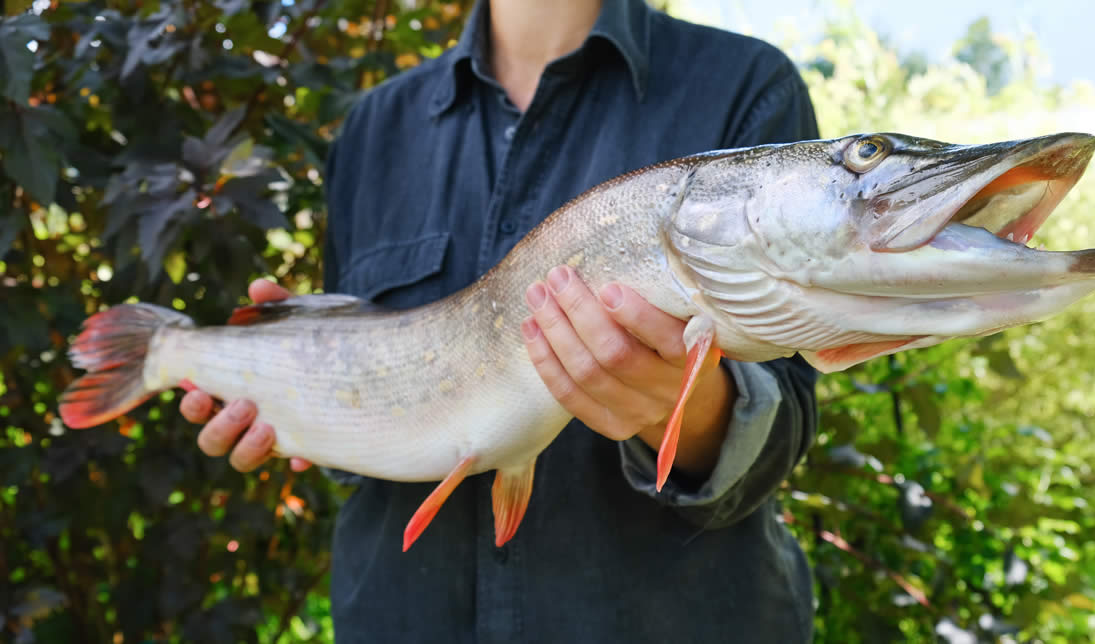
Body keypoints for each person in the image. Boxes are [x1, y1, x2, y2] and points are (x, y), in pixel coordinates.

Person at [180, 0, 822, 640]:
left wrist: (678, 409)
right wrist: (292, 402)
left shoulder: (746, 83)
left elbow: (783, 429)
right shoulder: (372, 128)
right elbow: (368, 405)